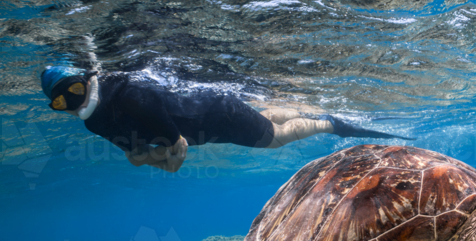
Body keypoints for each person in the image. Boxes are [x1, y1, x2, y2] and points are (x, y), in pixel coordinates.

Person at [41, 66, 410, 172]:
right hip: (210, 119)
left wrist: (152, 156)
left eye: (72, 90)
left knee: (275, 137)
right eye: (60, 103)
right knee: (265, 120)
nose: (72, 102)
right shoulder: (94, 122)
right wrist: (148, 156)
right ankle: (300, 108)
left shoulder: (132, 94)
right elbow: (134, 155)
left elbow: (174, 156)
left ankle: (329, 123)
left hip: (217, 115)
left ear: (86, 78)